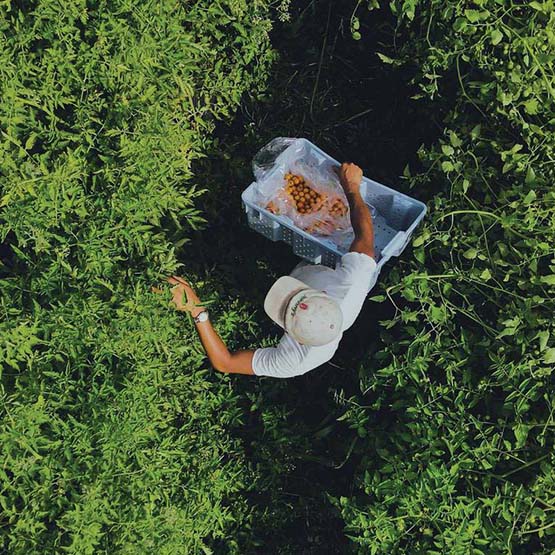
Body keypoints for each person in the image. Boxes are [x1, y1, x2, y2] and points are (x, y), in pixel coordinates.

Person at [167, 162, 378, 378]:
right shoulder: (351, 284)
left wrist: (196, 310)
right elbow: (365, 237)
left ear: (295, 336)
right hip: (318, 265)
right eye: (294, 295)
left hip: (306, 275)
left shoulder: (296, 361)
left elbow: (225, 362)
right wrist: (351, 186)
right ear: (324, 295)